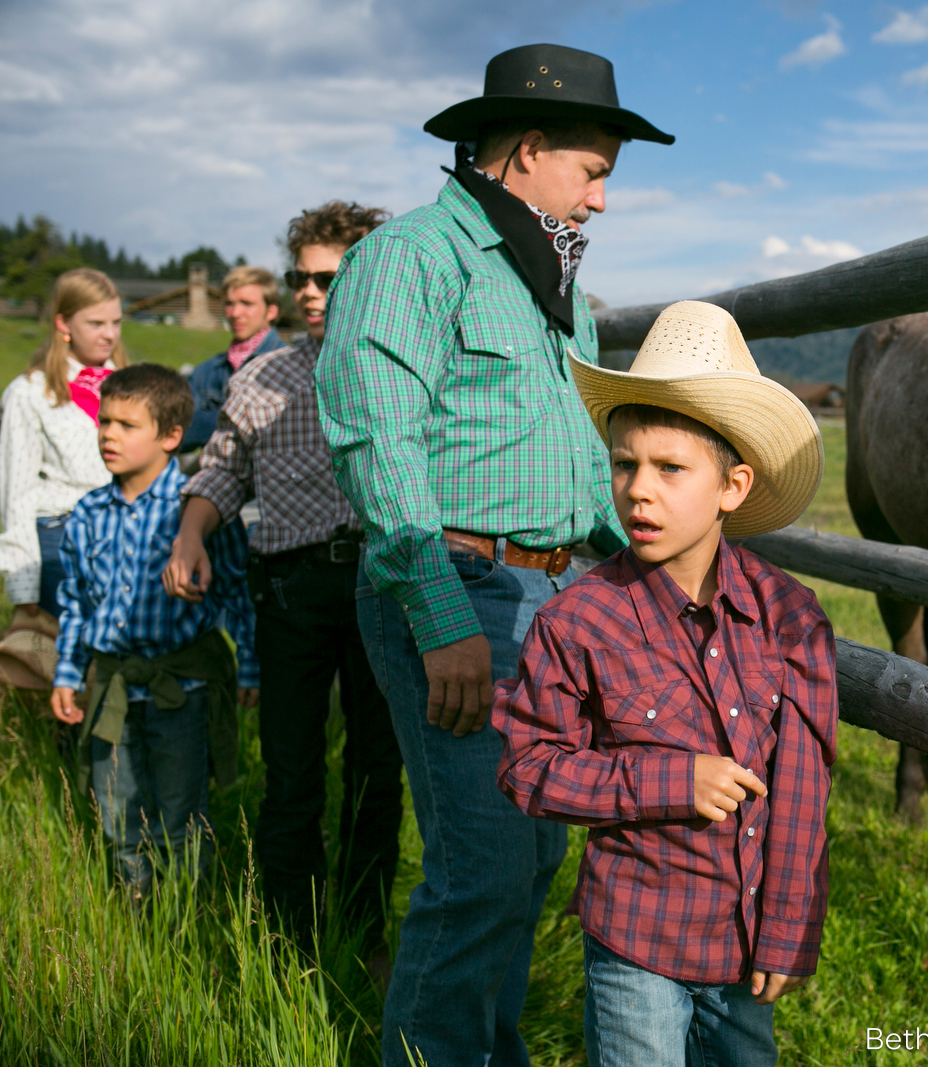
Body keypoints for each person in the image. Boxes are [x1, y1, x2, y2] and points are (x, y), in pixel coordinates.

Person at [316, 42, 674, 1067]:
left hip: (555, 607)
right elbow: (378, 439)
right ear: (525, 150)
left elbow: (572, 464)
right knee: (480, 867)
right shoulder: (412, 257)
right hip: (464, 590)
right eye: (594, 171)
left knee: (528, 861)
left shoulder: (554, 288)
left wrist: (649, 571)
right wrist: (441, 615)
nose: (603, 200)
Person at [494, 301, 835, 1067]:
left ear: (733, 486)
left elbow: (804, 785)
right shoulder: (577, 621)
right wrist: (668, 779)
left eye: (670, 468)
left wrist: (786, 925)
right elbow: (527, 765)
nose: (639, 490)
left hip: (746, 942)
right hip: (636, 938)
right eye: (624, 464)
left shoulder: (792, 620)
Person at [163, 202, 401, 969]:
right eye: (299, 275)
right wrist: (192, 533)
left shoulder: (405, 365)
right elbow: (224, 468)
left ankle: (364, 936)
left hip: (384, 583)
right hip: (293, 588)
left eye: (326, 277)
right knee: (291, 771)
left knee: (376, 767)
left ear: (366, 275)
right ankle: (285, 937)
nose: (307, 290)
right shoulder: (262, 374)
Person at [49, 364, 258, 902]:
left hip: (179, 692)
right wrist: (68, 674)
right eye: (104, 422)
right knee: (117, 815)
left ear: (170, 436)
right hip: (114, 685)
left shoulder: (198, 512)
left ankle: (188, 924)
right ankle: (138, 921)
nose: (108, 435)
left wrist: (251, 666)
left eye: (125, 424)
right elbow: (75, 602)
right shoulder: (87, 514)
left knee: (181, 815)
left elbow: (236, 591)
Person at [0, 269, 126, 625]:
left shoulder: (134, 385)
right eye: (96, 323)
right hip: (62, 541)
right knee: (69, 666)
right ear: (63, 323)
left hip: (130, 535)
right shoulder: (29, 393)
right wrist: (24, 590)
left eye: (116, 322)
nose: (110, 335)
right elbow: (17, 495)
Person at [180, 265, 284, 452]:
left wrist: (211, 421)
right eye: (229, 303)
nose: (235, 313)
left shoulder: (287, 365)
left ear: (271, 311)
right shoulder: (207, 371)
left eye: (247, 303)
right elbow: (181, 432)